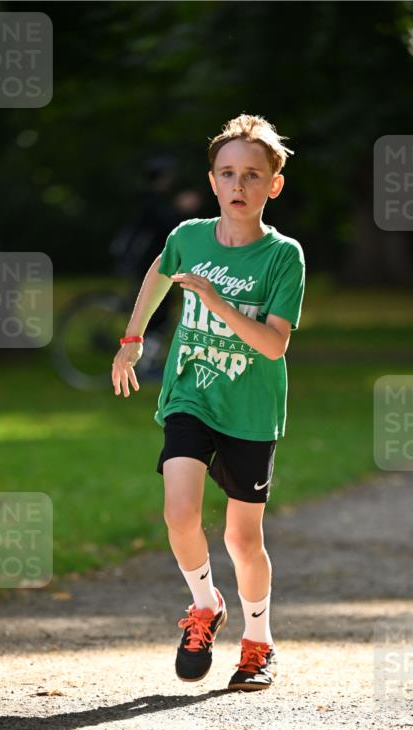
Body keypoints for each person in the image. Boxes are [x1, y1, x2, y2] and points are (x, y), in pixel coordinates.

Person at [110, 114, 305, 691]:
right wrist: (131, 337)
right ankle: (204, 604)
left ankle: (258, 641)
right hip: (191, 394)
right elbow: (160, 272)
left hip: (250, 407)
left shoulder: (282, 256)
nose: (238, 185)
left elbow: (272, 344)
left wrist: (218, 303)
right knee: (179, 513)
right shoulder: (188, 237)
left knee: (243, 539)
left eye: (252, 174)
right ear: (213, 181)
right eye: (227, 173)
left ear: (274, 184)